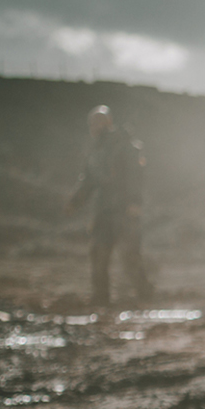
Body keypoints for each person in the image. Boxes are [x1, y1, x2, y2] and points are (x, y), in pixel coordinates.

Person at [66, 106, 153, 306]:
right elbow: (88, 181)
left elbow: (135, 175)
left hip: (124, 210)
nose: (94, 127)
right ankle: (100, 298)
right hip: (103, 212)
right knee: (98, 254)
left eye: (98, 122)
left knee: (130, 255)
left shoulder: (126, 146)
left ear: (108, 123)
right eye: (91, 124)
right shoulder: (95, 151)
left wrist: (134, 202)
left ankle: (145, 293)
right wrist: (75, 202)